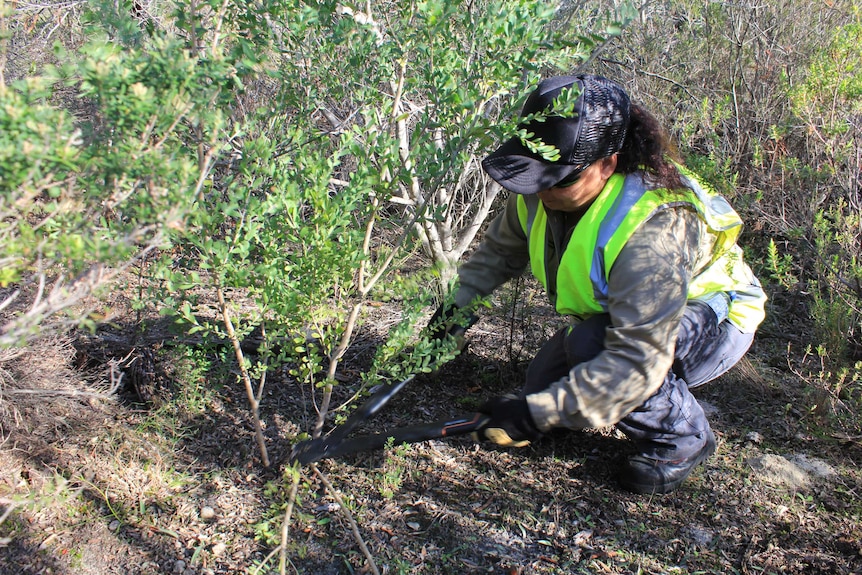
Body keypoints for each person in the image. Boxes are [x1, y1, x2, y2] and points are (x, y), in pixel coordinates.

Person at [429, 74, 767, 494]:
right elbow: (499, 254)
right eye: (535, 173)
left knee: (591, 351)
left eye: (558, 178)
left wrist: (536, 414)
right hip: (632, 313)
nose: (542, 189)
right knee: (544, 382)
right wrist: (455, 309)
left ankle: (683, 437)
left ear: (607, 163)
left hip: (714, 318)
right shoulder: (542, 187)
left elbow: (636, 360)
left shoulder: (654, 228)